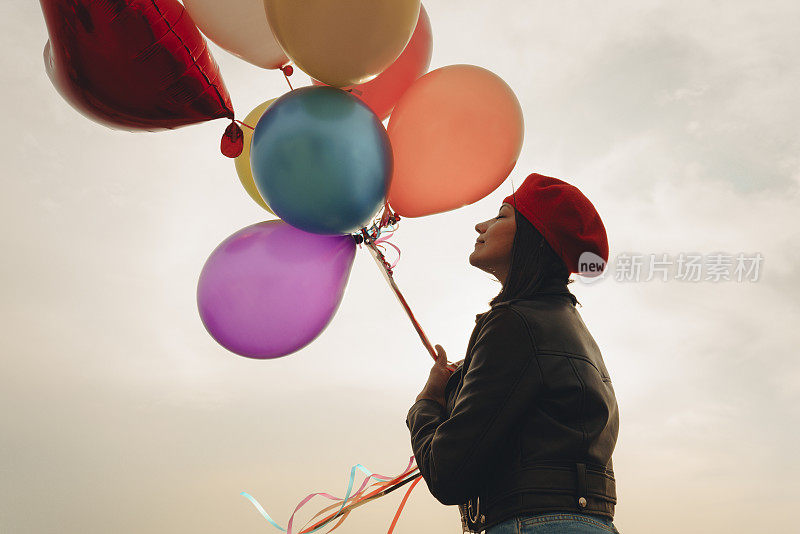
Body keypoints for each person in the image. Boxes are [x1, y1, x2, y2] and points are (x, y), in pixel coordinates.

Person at [406, 173, 620, 534]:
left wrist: (427, 402)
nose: (481, 224)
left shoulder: (514, 323)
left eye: (503, 216)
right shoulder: (574, 333)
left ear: (535, 237)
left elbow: (448, 474)